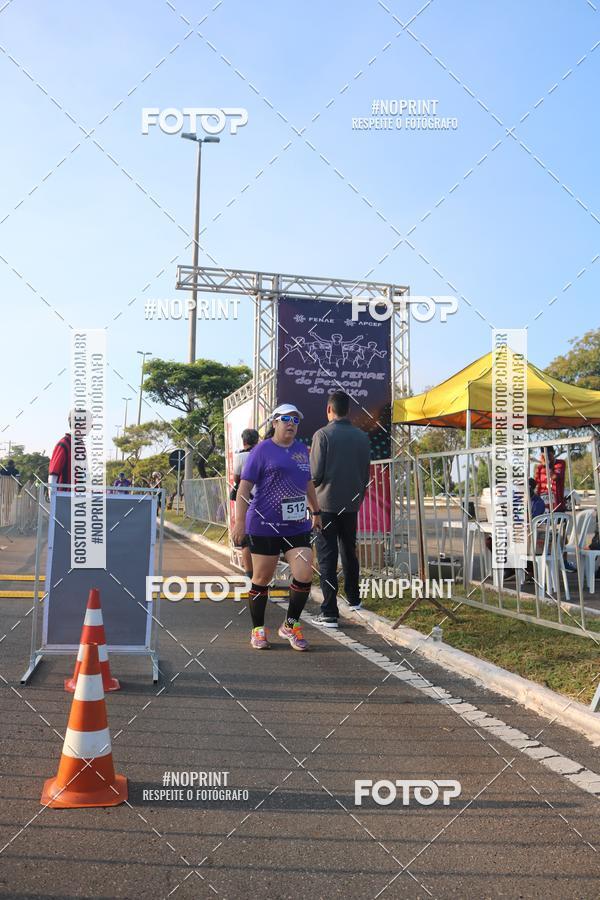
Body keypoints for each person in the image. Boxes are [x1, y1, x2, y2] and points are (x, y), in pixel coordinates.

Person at [232, 404, 321, 651]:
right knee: (262, 578)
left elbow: (308, 483)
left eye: (295, 420)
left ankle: (290, 626)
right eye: (285, 419)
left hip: (296, 526)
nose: (291, 423)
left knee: (304, 575)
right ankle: (258, 630)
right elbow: (244, 489)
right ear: (274, 423)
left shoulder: (302, 450)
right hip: (264, 525)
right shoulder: (261, 451)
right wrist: (240, 522)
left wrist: (316, 511)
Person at [310, 391, 371, 627]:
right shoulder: (362, 437)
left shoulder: (322, 435)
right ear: (348, 411)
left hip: (325, 504)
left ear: (329, 409)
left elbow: (315, 475)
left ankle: (329, 611)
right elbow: (365, 474)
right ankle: (354, 599)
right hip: (351, 504)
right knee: (349, 551)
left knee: (327, 556)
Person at [230, 428, 259, 580]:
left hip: (246, 500)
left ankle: (249, 574)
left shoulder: (240, 456)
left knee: (246, 538)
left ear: (244, 441)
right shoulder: (263, 454)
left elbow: (237, 479)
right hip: (262, 499)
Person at [534, 446, 565, 512]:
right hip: (543, 506)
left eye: (548, 455)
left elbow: (554, 477)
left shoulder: (560, 463)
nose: (547, 457)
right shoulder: (539, 468)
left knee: (558, 521)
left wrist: (547, 465)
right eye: (544, 455)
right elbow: (536, 486)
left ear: (553, 453)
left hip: (557, 505)